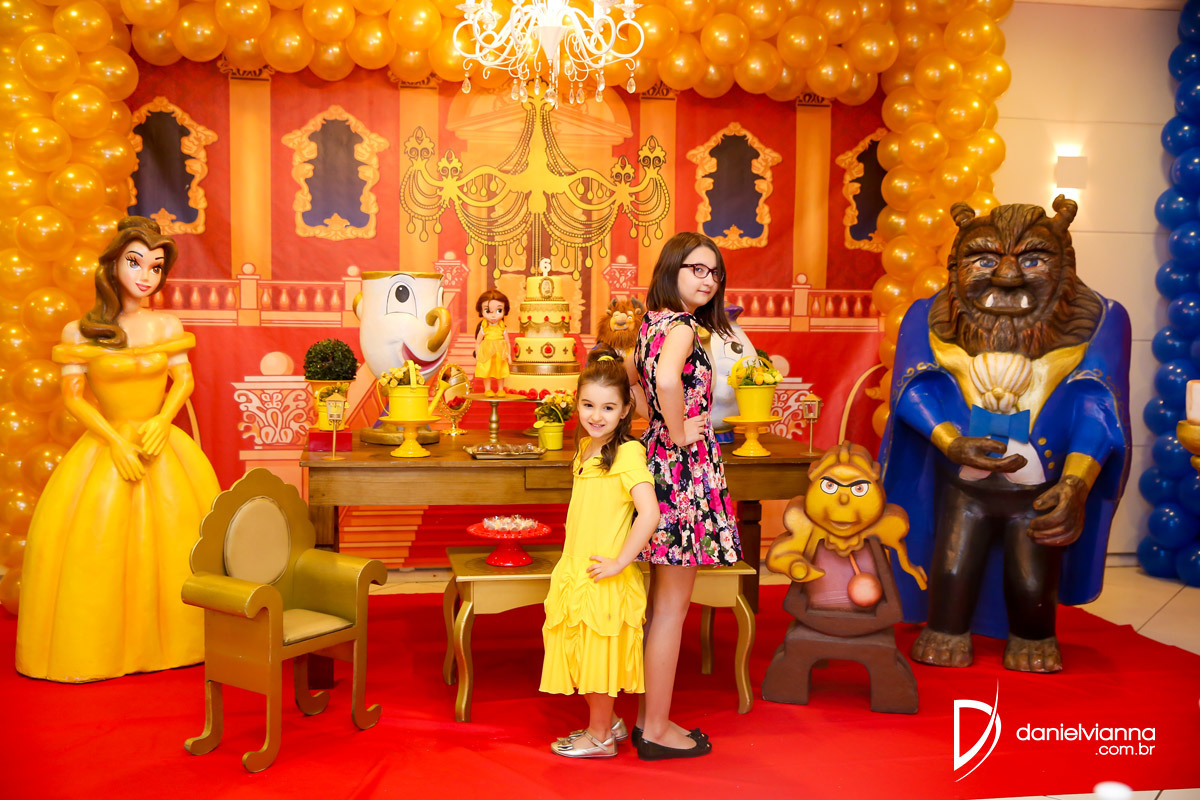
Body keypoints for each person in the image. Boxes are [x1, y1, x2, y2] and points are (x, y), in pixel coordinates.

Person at [16, 216, 221, 683]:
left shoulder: (166, 324)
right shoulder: (79, 331)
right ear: (112, 264)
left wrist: (162, 422)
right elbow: (74, 399)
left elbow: (183, 381)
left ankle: (181, 641)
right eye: (135, 262)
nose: (146, 275)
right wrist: (114, 441)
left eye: (156, 266)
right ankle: (98, 647)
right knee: (96, 542)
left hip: (160, 442)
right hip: (108, 443)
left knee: (179, 537)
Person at [625, 231, 740, 760]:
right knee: (671, 609)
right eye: (697, 268)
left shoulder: (650, 325)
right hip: (684, 468)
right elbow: (668, 382)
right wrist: (677, 431)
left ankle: (648, 719)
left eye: (714, 272)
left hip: (658, 462)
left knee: (660, 607)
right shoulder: (684, 329)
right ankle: (656, 729)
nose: (708, 280)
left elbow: (637, 381)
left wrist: (657, 427)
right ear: (670, 270)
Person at [540, 346, 660, 758]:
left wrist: (621, 561)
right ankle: (607, 723)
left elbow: (650, 513)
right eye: (588, 405)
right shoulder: (586, 448)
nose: (596, 415)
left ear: (626, 410)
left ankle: (600, 737)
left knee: (598, 656)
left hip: (603, 572)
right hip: (578, 567)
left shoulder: (628, 453)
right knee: (582, 651)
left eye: (608, 408)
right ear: (576, 403)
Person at [474, 288, 510, 396]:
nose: (493, 315)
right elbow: (478, 342)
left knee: (500, 371)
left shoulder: (502, 327)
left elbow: (507, 342)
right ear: (481, 311)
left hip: (500, 352)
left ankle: (500, 389)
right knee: (487, 370)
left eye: (499, 310)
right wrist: (478, 354)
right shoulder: (484, 327)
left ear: (504, 310)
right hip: (487, 352)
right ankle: (487, 389)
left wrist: (508, 355)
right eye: (488, 311)